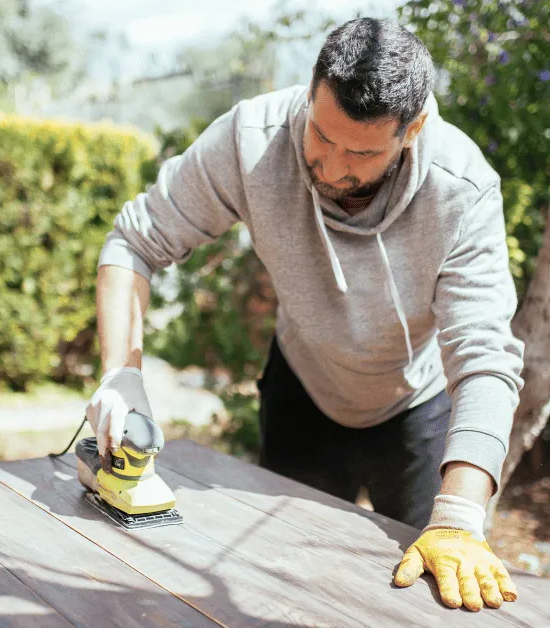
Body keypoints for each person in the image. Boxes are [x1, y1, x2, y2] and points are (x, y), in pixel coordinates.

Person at [84, 17, 525, 612]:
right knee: (279, 589)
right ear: (312, 90)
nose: (330, 164)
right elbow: (134, 242)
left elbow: (485, 360)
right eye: (321, 133)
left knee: (427, 595)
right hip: (303, 391)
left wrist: (460, 516)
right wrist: (122, 374)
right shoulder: (250, 139)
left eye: (361, 152)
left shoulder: (462, 190)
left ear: (412, 130)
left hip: (416, 407)